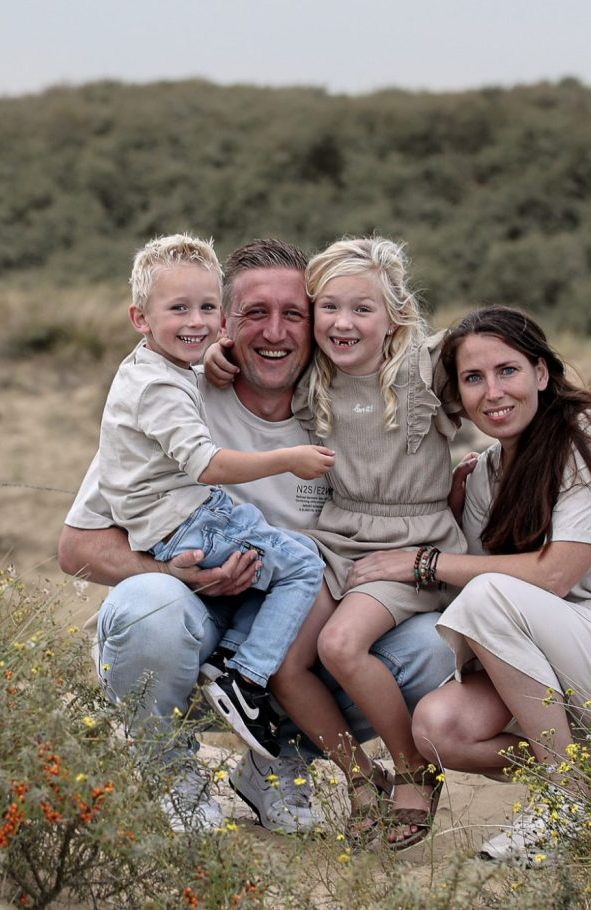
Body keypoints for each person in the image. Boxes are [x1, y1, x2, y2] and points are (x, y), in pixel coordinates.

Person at [58, 239, 455, 834]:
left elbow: (476, 396)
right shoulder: (177, 401)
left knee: (431, 643)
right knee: (148, 607)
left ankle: (279, 765)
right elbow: (76, 549)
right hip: (195, 630)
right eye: (254, 314)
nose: (276, 332)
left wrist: (577, 406)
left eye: (294, 313)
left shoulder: (340, 400)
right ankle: (169, 768)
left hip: (291, 634)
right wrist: (176, 575)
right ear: (227, 321)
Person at [346, 305, 591, 863]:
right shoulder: (488, 472)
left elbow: (551, 575)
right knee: (440, 727)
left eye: (508, 371)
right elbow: (480, 592)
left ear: (542, 373)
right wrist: (453, 508)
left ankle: (566, 802)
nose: (492, 392)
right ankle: (587, 786)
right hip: (580, 685)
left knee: (489, 594)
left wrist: (425, 560)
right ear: (459, 396)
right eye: (473, 378)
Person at [246, 237, 466, 851]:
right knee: (285, 659)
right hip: (338, 538)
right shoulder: (314, 376)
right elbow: (243, 352)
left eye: (363, 309)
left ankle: (414, 771)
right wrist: (214, 351)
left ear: (395, 317)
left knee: (342, 645)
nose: (344, 323)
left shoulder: (426, 369)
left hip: (410, 540)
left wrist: (588, 403)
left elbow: (508, 366)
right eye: (330, 308)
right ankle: (361, 777)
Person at [96, 233, 333, 758]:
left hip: (200, 533)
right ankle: (239, 685)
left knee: (399, 638)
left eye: (205, 309)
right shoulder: (166, 391)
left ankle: (274, 766)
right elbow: (205, 465)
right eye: (178, 308)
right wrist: (288, 460)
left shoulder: (168, 372)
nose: (196, 321)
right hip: (193, 535)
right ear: (141, 318)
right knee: (302, 566)